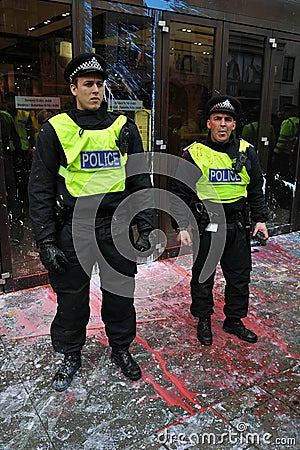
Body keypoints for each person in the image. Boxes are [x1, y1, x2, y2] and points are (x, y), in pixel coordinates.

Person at [28, 53, 154, 392]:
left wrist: (145, 225)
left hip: (115, 226)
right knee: (71, 297)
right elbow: (39, 188)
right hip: (73, 227)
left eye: (99, 84)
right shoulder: (56, 129)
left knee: (119, 293)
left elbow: (139, 179)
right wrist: (46, 240)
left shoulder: (123, 127)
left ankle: (121, 348)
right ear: (74, 88)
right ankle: (70, 354)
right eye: (88, 84)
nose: (96, 90)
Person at [171, 95, 269, 346]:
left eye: (228, 119)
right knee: (203, 276)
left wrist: (260, 219)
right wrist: (182, 225)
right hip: (208, 226)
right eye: (218, 119)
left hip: (237, 226)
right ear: (209, 123)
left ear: (234, 125)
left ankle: (233, 320)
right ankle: (203, 319)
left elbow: (256, 188)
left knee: (239, 277)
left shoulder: (247, 151)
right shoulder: (194, 153)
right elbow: (179, 191)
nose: (223, 124)